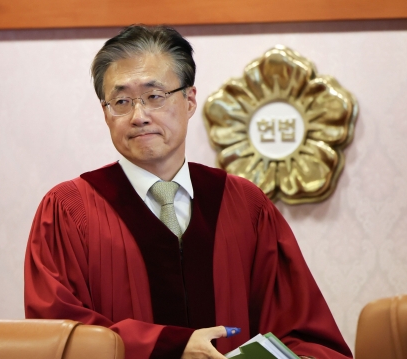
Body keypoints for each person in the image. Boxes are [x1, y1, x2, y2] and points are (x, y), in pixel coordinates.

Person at [24, 25, 352, 359]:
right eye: (121, 101)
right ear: (105, 112)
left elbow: (304, 336)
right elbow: (59, 335)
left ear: (190, 99)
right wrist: (172, 347)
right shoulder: (69, 210)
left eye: (155, 96)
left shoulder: (245, 206)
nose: (139, 116)